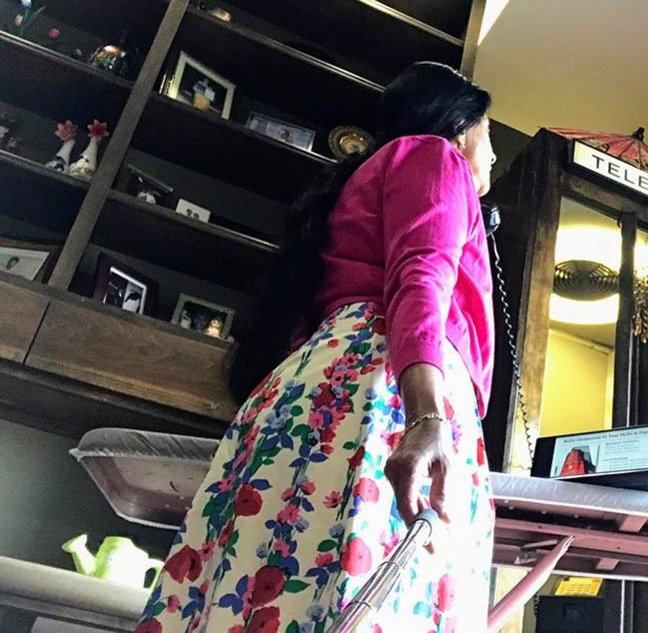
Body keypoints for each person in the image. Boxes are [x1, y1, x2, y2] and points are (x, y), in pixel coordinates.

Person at [136, 62, 497, 633]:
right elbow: (421, 277)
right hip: (390, 390)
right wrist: (427, 415)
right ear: (458, 126)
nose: (495, 156)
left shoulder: (363, 179)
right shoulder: (434, 156)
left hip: (326, 391)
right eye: (489, 132)